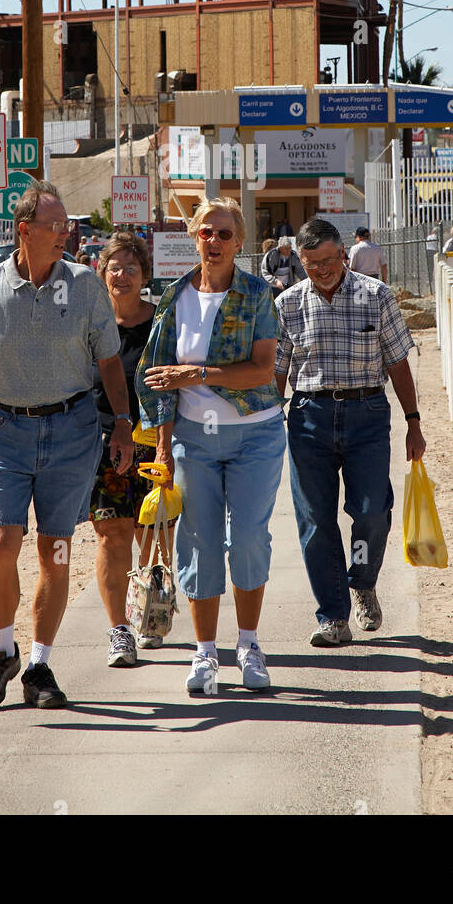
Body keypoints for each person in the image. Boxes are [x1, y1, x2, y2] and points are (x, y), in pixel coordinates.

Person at [0, 179, 134, 711]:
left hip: (71, 432)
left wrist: (123, 423)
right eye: (56, 226)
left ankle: (38, 664)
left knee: (54, 553)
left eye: (67, 227)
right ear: (24, 230)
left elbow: (108, 361)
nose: (66, 234)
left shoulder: (84, 286)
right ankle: (2, 650)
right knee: (1, 545)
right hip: (5, 432)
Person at [136, 196, 286, 695]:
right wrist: (161, 449)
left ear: (240, 242)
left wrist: (197, 374)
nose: (215, 242)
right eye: (206, 233)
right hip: (191, 440)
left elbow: (263, 369)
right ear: (193, 238)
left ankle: (248, 645)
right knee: (197, 543)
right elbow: (159, 379)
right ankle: (205, 655)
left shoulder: (257, 294)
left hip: (255, 433)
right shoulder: (173, 296)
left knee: (246, 539)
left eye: (224, 234)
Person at [274, 217, 426, 646]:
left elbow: (398, 362)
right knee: (315, 521)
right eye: (311, 263)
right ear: (299, 261)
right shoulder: (286, 305)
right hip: (308, 419)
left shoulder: (375, 296)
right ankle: (333, 616)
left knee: (371, 511)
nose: (322, 270)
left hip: (367, 414)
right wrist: (267, 425)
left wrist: (413, 422)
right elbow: (277, 373)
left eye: (328, 260)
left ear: (343, 253)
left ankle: (362, 581)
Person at [89, 231, 171, 667]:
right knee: (111, 533)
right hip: (103, 444)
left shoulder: (160, 324)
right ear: (102, 273)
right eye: (114, 267)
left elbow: (171, 390)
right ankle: (119, 629)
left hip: (154, 443)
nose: (122, 275)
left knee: (154, 536)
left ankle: (151, 616)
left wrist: (164, 446)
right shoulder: (89, 322)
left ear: (145, 276)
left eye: (131, 268)